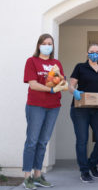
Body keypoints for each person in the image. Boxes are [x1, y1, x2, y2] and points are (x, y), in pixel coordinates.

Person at [23, 34, 68, 189]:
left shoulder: (56, 63)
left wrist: (60, 77)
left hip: (53, 106)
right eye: (44, 43)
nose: (47, 46)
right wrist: (51, 89)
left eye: (50, 43)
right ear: (39, 45)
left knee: (43, 142)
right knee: (32, 141)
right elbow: (33, 84)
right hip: (36, 105)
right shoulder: (32, 61)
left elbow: (63, 83)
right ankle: (27, 177)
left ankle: (38, 175)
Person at [69, 43, 98, 183]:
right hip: (80, 108)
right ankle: (84, 170)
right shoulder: (80, 67)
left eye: (97, 51)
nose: (94, 53)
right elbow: (70, 85)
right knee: (82, 140)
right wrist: (75, 91)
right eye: (91, 51)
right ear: (87, 53)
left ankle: (92, 163)